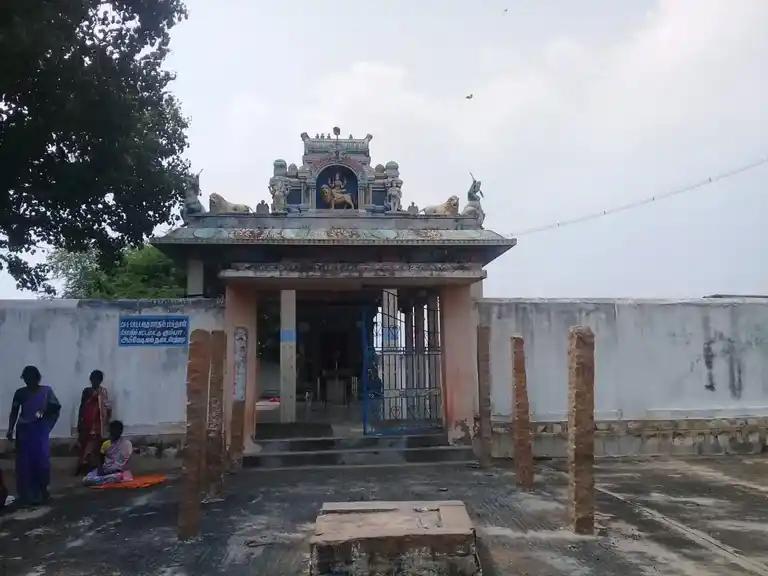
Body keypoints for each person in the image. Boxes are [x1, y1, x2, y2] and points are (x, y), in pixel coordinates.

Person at [6, 366, 61, 506]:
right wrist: (10, 429)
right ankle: (26, 495)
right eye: (25, 378)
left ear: (36, 378)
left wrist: (45, 409)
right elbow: (14, 411)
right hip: (24, 431)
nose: (26, 381)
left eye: (29, 378)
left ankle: (43, 490)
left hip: (39, 430)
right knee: (24, 464)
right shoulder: (20, 393)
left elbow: (55, 407)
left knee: (41, 462)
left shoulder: (46, 391)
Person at [75, 370, 111, 475]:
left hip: (99, 423)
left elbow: (107, 406)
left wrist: (108, 419)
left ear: (100, 380)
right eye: (93, 379)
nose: (95, 381)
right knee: (85, 445)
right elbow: (83, 407)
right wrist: (79, 422)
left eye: (98, 379)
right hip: (88, 422)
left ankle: (94, 466)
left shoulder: (103, 392)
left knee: (97, 445)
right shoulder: (87, 391)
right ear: (91, 380)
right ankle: (83, 465)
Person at [83, 420, 133, 486]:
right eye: (113, 430)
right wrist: (101, 470)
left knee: (119, 476)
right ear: (110, 431)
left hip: (118, 472)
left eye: (117, 430)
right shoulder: (106, 444)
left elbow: (123, 460)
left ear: (121, 431)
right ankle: (105, 479)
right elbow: (101, 459)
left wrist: (116, 468)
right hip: (106, 471)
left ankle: (105, 479)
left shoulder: (126, 444)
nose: (115, 432)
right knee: (86, 479)